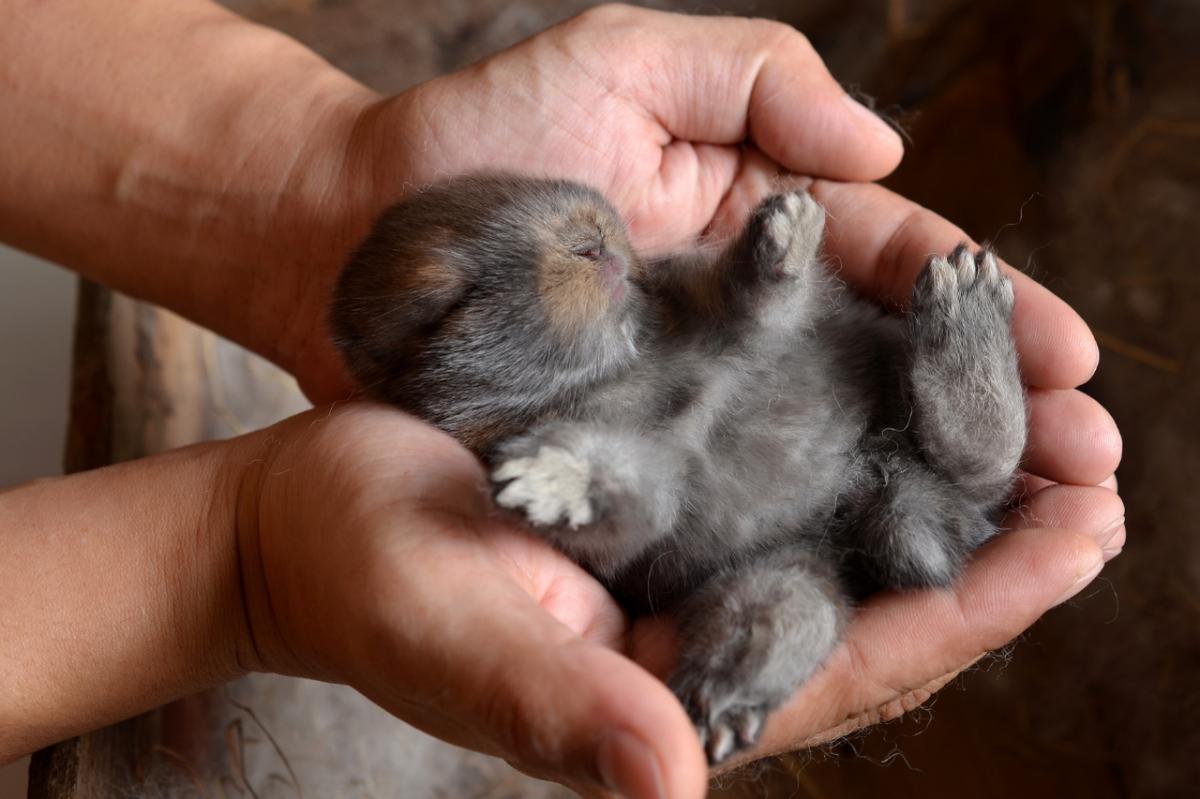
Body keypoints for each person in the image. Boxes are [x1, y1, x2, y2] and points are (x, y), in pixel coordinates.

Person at [0, 2, 1124, 797]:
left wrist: (767, 273)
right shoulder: (533, 436)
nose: (568, 232)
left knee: (966, 468)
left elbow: (756, 316)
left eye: (506, 202)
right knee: (799, 609)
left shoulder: (661, 271)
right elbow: (647, 491)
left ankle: (962, 354)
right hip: (788, 552)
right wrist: (252, 561)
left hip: (879, 409)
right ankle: (739, 678)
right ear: (444, 389)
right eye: (463, 298)